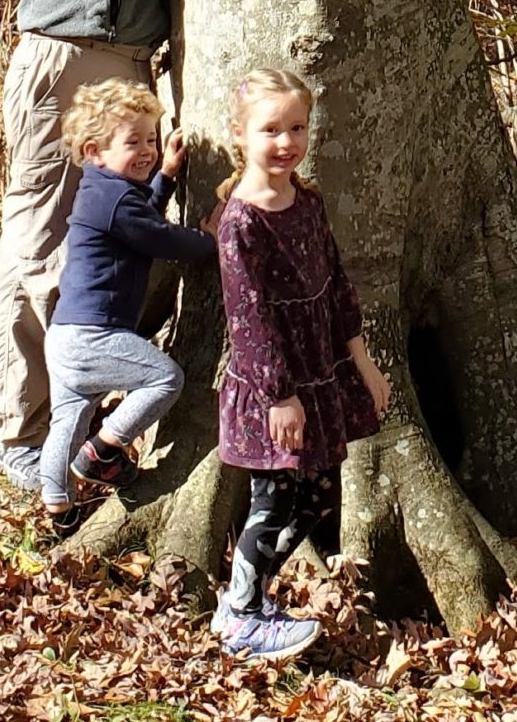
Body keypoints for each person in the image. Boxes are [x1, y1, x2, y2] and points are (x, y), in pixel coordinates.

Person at [0, 0, 360, 490]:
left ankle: (86, 433)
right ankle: (24, 442)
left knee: (112, 246)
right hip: (65, 67)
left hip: (124, 69)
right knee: (39, 254)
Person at [211, 67, 391, 664]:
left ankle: (248, 594)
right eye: (270, 130)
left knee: (315, 498)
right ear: (241, 136)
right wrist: (279, 397)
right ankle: (242, 615)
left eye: (297, 127)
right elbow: (250, 322)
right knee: (274, 499)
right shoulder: (240, 223)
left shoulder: (306, 201)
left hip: (320, 376)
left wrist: (362, 362)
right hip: (274, 388)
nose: (286, 142)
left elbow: (336, 284)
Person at [39, 79, 217, 536]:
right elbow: (159, 236)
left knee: (67, 418)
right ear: (95, 150)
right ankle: (103, 451)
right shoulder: (114, 198)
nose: (147, 151)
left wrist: (168, 176)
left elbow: (141, 218)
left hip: (64, 338)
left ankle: (58, 507)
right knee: (164, 378)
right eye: (132, 142)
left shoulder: (103, 190)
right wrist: (209, 241)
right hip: (93, 335)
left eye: (151, 140)